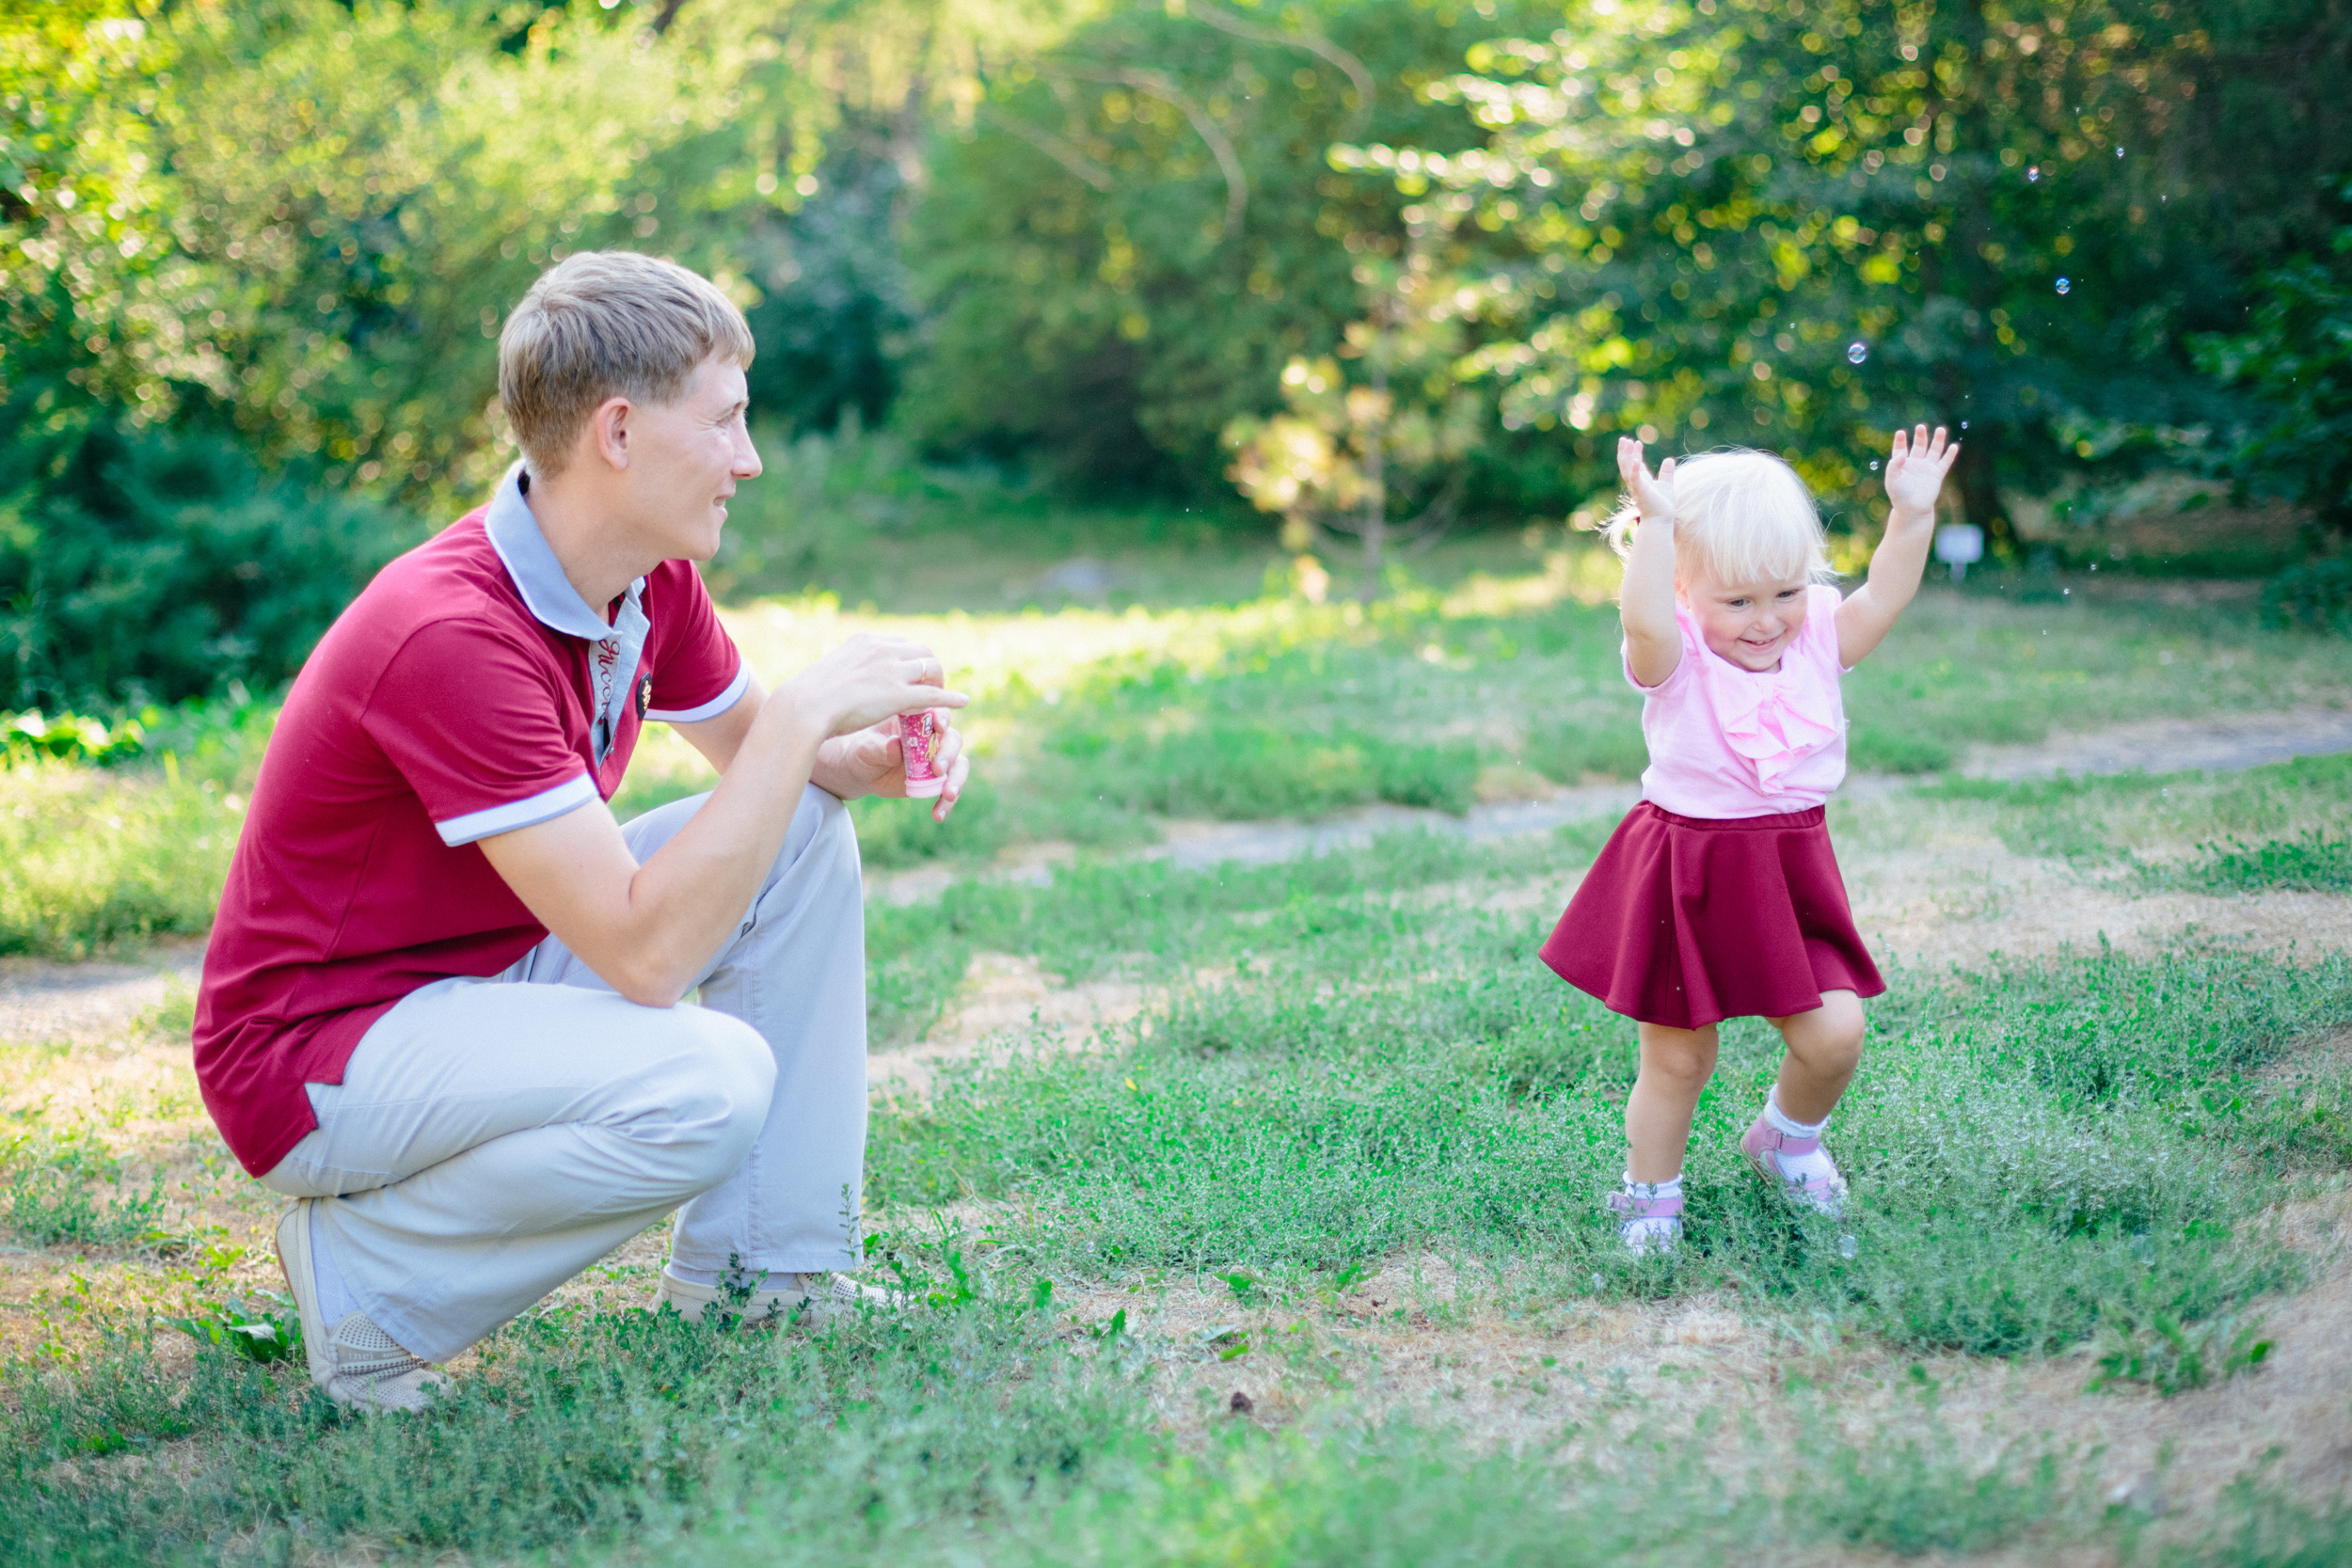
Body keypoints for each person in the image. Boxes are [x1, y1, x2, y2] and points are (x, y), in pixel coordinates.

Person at [192, 250, 971, 1411]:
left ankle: (770, 1279)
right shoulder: (449, 632)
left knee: (802, 827)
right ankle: (366, 1282)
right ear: (618, 432)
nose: (747, 460)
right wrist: (806, 707)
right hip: (317, 1054)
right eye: (726, 423)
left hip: (477, 981)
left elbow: (770, 762)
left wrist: (852, 756)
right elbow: (645, 956)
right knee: (706, 1083)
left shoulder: (642, 579)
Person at [1539, 427, 1960, 1251]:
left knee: (1835, 1034)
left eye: (1785, 592)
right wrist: (1656, 530)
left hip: (1788, 871)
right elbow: (1646, 616)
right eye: (1738, 601)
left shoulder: (1815, 640)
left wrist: (1911, 515)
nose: (1766, 621)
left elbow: (1884, 595)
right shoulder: (1675, 654)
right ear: (1690, 592)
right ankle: (1649, 1195)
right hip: (1687, 870)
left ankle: (1785, 1141)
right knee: (1678, 1062)